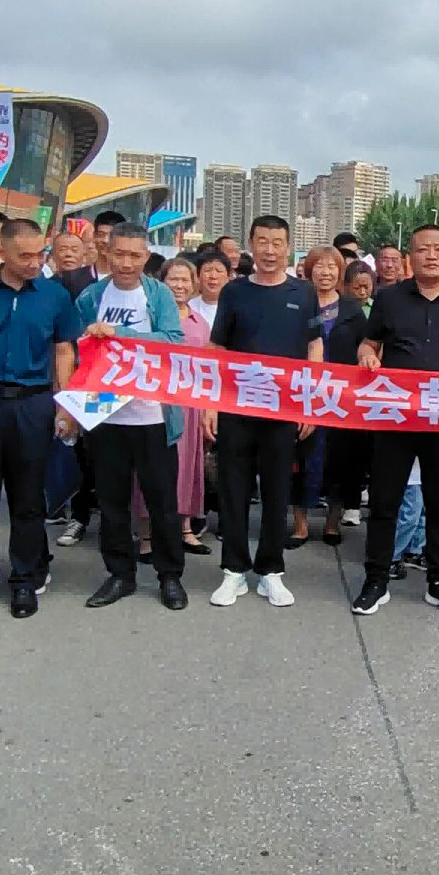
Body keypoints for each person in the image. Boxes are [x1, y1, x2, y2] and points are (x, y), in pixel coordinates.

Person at [350, 224, 439, 617]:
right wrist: (367, 356)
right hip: (396, 415)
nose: (431, 256)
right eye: (423, 249)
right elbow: (369, 343)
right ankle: (376, 579)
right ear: (410, 256)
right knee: (384, 501)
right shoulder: (389, 298)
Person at [0, 219, 81, 619]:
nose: (34, 262)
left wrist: (65, 405)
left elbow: (64, 351)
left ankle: (25, 579)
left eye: (40, 253)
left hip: (33, 402)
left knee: (28, 497)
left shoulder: (54, 296)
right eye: (25, 255)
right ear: (2, 251)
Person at [207, 215, 323, 608]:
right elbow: (217, 349)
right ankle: (234, 571)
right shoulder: (234, 291)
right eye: (262, 242)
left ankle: (271, 570)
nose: (269, 251)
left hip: (283, 408)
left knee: (277, 491)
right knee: (234, 490)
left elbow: (314, 348)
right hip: (236, 406)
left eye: (277, 243)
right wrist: (211, 403)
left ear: (288, 247)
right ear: (250, 244)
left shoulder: (303, 292)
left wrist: (310, 402)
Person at [75, 222, 190, 611]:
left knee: (163, 503)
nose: (126, 263)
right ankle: (120, 574)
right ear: (106, 253)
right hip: (105, 414)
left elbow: (173, 341)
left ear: (146, 256)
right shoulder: (91, 297)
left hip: (153, 416)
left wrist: (120, 334)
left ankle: (169, 575)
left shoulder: (158, 294)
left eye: (135, 256)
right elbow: (74, 349)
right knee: (111, 503)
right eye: (119, 254)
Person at [293, 246, 363, 547]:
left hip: (340, 398)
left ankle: (332, 524)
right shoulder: (297, 304)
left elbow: (365, 348)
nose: (326, 272)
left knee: (340, 461)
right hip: (302, 393)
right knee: (300, 460)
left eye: (332, 266)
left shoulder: (352, 310)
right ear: (309, 270)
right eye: (319, 266)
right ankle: (300, 526)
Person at [150, 256, 213, 556]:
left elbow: (210, 367)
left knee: (188, 466)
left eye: (185, 279)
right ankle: (147, 535)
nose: (179, 285)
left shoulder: (200, 322)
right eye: (173, 279)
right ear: (161, 283)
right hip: (156, 404)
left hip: (190, 405)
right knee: (153, 468)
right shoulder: (152, 316)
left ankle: (185, 528)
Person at [46, 228, 97, 295]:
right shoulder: (46, 287)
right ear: (53, 255)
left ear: (84, 255)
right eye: (62, 250)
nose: (68, 254)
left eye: (74, 250)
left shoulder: (95, 286)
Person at [187, 250, 229, 331]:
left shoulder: (236, 307)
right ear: (198, 275)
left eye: (219, 271)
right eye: (207, 270)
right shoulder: (189, 307)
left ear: (228, 277)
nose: (213, 276)